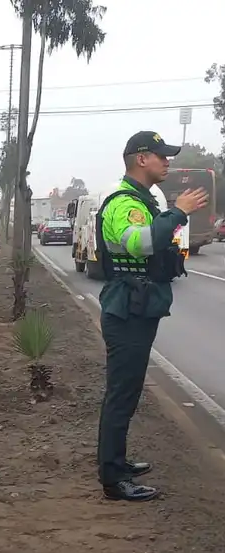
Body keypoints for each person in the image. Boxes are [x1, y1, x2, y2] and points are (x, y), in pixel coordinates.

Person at [95, 131, 208, 501]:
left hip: (138, 306)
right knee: (121, 394)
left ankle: (118, 462)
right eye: (161, 156)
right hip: (128, 308)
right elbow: (140, 243)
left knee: (127, 392)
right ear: (141, 159)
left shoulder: (142, 200)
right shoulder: (122, 202)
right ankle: (113, 478)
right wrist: (179, 212)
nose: (167, 162)